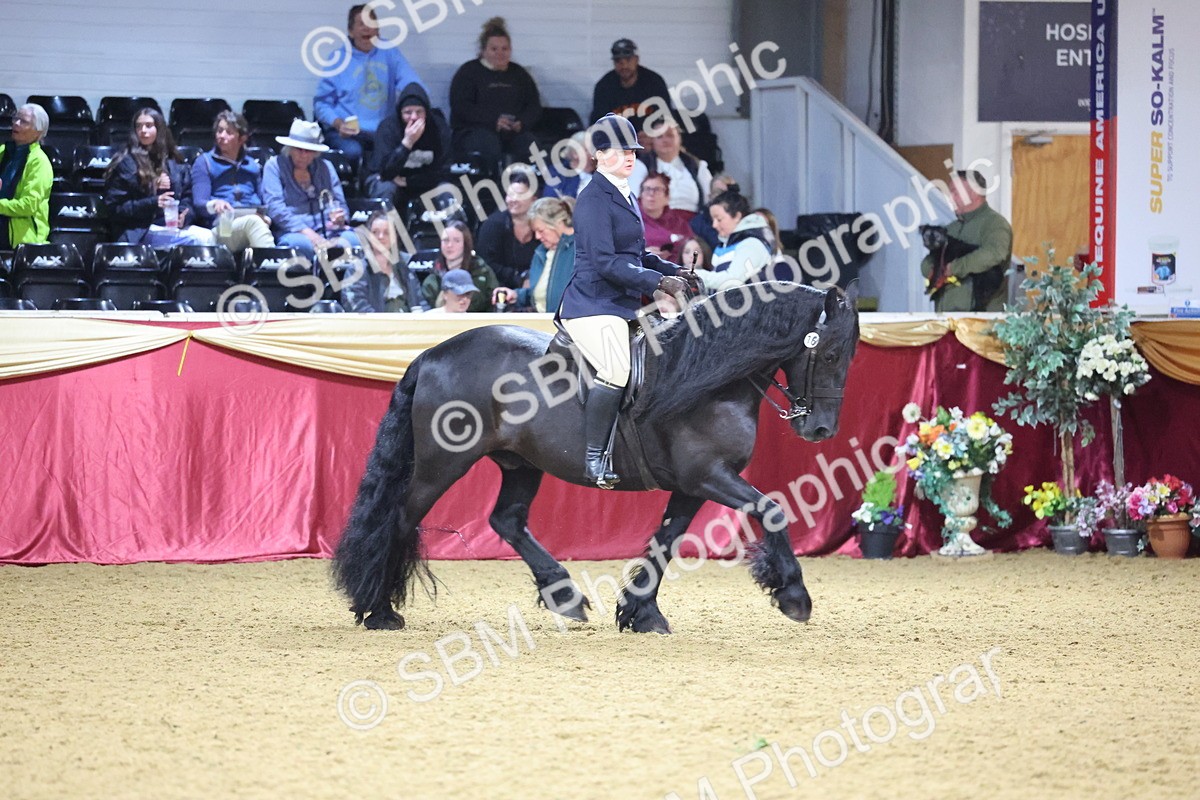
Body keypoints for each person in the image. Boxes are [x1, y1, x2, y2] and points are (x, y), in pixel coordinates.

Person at [557, 113, 690, 488]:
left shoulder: (623, 192)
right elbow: (605, 262)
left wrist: (673, 270)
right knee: (616, 370)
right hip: (593, 304)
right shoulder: (593, 199)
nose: (630, 157)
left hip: (622, 303)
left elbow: (634, 254)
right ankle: (595, 459)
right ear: (598, 155)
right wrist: (658, 282)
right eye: (620, 151)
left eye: (632, 150)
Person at [313, 3, 425, 163]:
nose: (367, 28)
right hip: (347, 133)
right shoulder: (337, 59)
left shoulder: (390, 52)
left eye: (371, 24)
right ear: (351, 31)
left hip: (383, 132)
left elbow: (412, 84)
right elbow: (321, 104)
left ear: (378, 30)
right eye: (361, 24)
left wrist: (418, 106)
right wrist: (338, 124)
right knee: (353, 152)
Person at [104, 109, 215, 246]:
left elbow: (187, 197)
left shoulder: (174, 161)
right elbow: (116, 208)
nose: (143, 130)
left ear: (160, 129)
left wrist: (184, 216)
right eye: (138, 126)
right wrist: (154, 202)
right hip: (140, 230)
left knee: (209, 236)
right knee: (199, 240)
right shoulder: (126, 163)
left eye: (148, 126)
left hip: (171, 226)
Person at [449, 16, 542, 163]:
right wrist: (493, 122)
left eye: (504, 49)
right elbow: (462, 107)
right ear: (483, 50)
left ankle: (525, 184)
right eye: (494, 49)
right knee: (488, 145)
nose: (500, 53)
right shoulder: (468, 72)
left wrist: (522, 123)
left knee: (531, 146)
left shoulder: (519, 74)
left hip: (513, 132)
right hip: (476, 131)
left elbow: (534, 105)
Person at [262, 120, 359, 260]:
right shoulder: (274, 166)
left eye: (309, 151)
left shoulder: (326, 167)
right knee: (302, 246)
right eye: (298, 149)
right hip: (294, 231)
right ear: (289, 148)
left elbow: (340, 203)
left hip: (328, 230)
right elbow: (275, 208)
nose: (303, 155)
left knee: (354, 240)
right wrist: (310, 234)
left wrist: (340, 218)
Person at [920, 169, 1013, 312]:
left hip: (980, 322)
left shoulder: (995, 223)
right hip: (946, 320)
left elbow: (994, 254)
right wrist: (934, 269)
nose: (950, 198)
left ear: (974, 193)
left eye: (955, 192)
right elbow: (927, 263)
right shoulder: (951, 229)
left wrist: (954, 268)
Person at [191, 111, 275, 253]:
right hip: (223, 228)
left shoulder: (252, 165)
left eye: (228, 132)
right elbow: (199, 203)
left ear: (242, 138)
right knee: (254, 222)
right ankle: (273, 269)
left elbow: (264, 201)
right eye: (219, 131)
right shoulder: (204, 162)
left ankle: (265, 270)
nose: (221, 136)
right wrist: (215, 204)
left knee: (257, 222)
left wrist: (266, 216)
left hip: (251, 221)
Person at [364, 82, 450, 209]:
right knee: (385, 188)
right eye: (408, 112)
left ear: (426, 112)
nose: (414, 118)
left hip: (424, 180)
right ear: (400, 113)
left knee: (448, 191)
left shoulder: (438, 128)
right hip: (389, 180)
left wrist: (409, 182)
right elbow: (384, 172)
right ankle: (384, 227)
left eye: (419, 112)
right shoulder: (388, 128)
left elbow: (445, 170)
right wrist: (407, 143)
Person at [492, 196, 576, 313]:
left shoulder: (580, 249)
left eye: (541, 231)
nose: (537, 237)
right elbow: (539, 294)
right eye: (535, 232)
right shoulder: (540, 252)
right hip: (543, 323)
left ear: (558, 223)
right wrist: (516, 295)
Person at [589, 38, 673, 145]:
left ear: (636, 59)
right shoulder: (604, 87)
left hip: (649, 143)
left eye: (628, 60)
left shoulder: (654, 82)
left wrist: (654, 136)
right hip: (618, 145)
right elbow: (598, 125)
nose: (624, 66)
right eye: (618, 61)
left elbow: (667, 119)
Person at [341, 211, 428, 312]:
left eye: (386, 233)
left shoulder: (405, 270)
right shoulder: (356, 271)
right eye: (375, 232)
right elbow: (357, 307)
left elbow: (420, 303)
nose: (380, 237)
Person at [692, 189, 772, 292]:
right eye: (713, 220)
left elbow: (733, 281)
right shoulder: (723, 246)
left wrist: (696, 275)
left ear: (737, 216)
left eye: (719, 219)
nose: (714, 225)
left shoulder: (752, 244)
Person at [628, 118, 712, 216]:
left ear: (679, 138)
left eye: (670, 135)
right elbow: (633, 201)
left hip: (693, 225)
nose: (665, 140)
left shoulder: (697, 166)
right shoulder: (642, 165)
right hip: (656, 224)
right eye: (659, 137)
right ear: (653, 141)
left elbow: (710, 201)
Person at [0, 104, 52, 248]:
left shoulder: (40, 162)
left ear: (38, 132)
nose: (16, 124)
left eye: (24, 121)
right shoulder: (4, 151)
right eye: (16, 118)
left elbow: (28, 205)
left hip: (22, 241)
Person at [475, 169, 538, 288]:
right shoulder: (493, 225)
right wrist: (517, 279)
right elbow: (485, 263)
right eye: (510, 195)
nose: (512, 200)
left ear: (534, 200)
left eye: (519, 195)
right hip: (497, 288)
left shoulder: (543, 226)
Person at [420, 220, 498, 312]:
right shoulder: (432, 280)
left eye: (456, 241)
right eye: (446, 240)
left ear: (465, 244)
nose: (450, 245)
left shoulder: (483, 272)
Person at [639, 172, 693, 260]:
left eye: (657, 189)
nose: (651, 193)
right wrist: (643, 253)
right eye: (647, 189)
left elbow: (691, 248)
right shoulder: (630, 219)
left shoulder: (679, 224)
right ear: (640, 195)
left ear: (667, 197)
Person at [540, 131, 593, 199]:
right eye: (590, 150)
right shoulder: (558, 173)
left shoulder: (603, 172)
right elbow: (550, 201)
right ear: (575, 154)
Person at [689, 173, 736, 249]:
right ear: (710, 196)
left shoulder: (744, 220)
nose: (723, 197)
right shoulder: (698, 224)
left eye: (727, 193)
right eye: (718, 192)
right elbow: (695, 252)